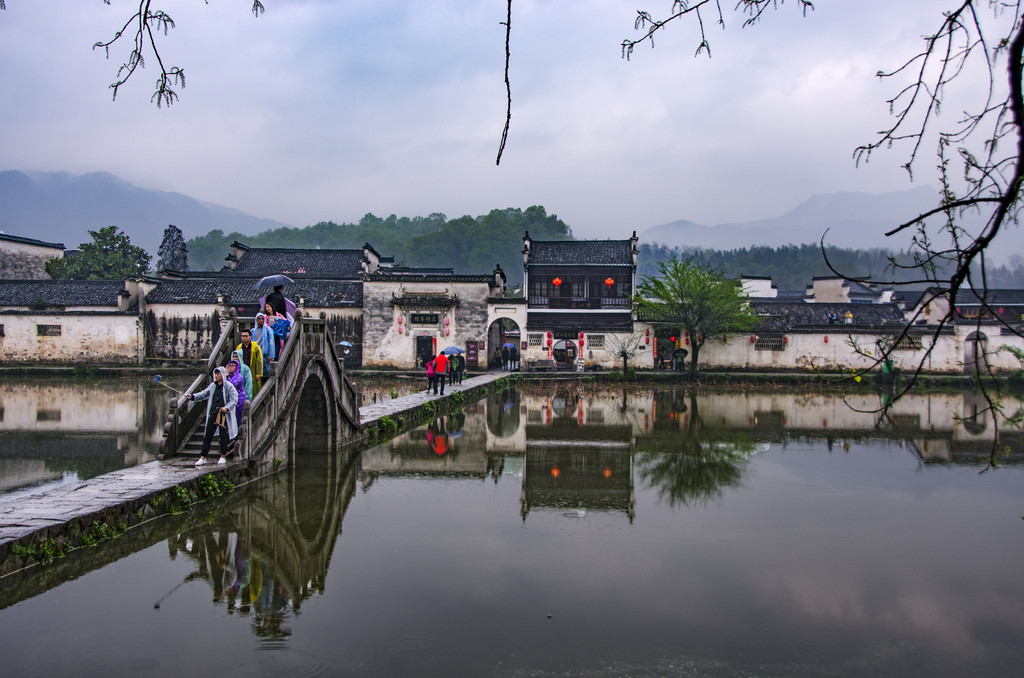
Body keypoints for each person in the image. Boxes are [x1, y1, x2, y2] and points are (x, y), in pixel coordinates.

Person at [187, 366, 237, 466]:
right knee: (207, 436)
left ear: (222, 375)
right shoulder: (212, 386)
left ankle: (223, 456)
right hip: (213, 413)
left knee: (223, 436)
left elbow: (234, 399)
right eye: (215, 374)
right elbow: (203, 394)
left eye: (218, 374)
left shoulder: (228, 386)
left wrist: (226, 407)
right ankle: (203, 457)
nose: (216, 376)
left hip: (223, 414)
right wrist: (193, 397)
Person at [236, 329, 265, 394]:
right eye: (242, 336)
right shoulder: (239, 347)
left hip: (252, 370)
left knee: (253, 389)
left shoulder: (256, 347)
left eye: (246, 336)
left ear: (250, 337)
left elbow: (259, 361)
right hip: (242, 371)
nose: (244, 338)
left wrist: (259, 374)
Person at [225, 358, 247, 429]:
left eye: (233, 366)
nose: (231, 367)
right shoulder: (226, 376)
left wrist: (226, 376)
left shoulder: (239, 377)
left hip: (239, 399)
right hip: (230, 399)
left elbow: (231, 385)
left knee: (237, 416)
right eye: (230, 365)